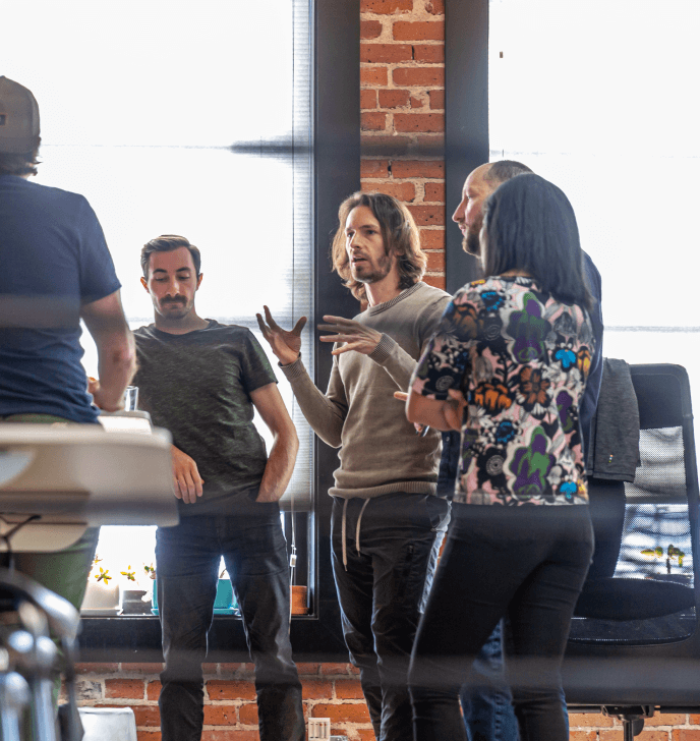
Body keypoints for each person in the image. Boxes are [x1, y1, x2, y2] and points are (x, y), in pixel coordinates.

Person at [256, 192, 452, 741]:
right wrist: (293, 369)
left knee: (398, 654)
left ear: (396, 239)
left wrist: (385, 349)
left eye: (366, 231)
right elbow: (337, 430)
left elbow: (446, 400)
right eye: (347, 233)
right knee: (365, 655)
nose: (353, 241)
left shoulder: (434, 309)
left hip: (407, 504)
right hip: (348, 512)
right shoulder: (358, 323)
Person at [407, 174, 596, 741]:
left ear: (504, 230)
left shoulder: (479, 301)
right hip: (570, 518)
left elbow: (422, 404)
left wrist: (470, 409)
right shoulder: (579, 313)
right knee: (536, 691)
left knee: (431, 684)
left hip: (499, 513)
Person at [133, 235, 304, 741]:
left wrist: (268, 495)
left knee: (275, 657)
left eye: (182, 275)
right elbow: (111, 426)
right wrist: (164, 449)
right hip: (181, 524)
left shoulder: (235, 340)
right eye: (161, 277)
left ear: (198, 281)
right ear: (145, 284)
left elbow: (285, 430)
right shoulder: (132, 348)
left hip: (254, 516)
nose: (172, 287)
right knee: (180, 664)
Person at [0, 75, 135, 616]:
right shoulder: (71, 212)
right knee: (47, 632)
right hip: (54, 451)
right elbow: (119, 352)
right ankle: (41, 682)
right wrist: (109, 400)